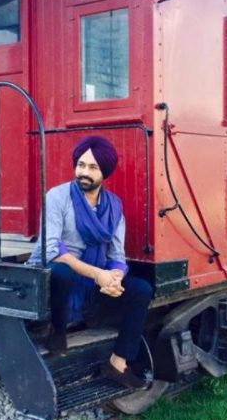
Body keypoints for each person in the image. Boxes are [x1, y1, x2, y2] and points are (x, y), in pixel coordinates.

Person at [28, 136, 152, 390]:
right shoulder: (58, 197)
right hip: (61, 272)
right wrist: (98, 275)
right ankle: (57, 331)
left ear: (104, 172)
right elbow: (51, 250)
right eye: (81, 165)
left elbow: (117, 255)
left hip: (95, 277)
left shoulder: (114, 206)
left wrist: (115, 278)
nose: (84, 172)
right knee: (61, 272)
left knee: (141, 290)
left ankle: (118, 362)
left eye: (93, 167)